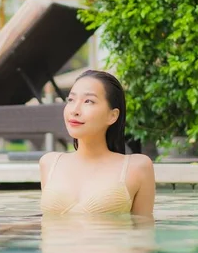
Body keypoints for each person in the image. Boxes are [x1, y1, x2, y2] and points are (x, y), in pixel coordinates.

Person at [39, 69, 155, 218]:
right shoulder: (49, 163)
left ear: (112, 116)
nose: (74, 110)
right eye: (71, 100)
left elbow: (143, 232)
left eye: (88, 101)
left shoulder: (137, 167)